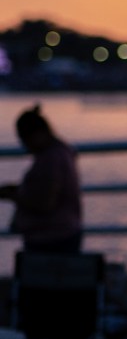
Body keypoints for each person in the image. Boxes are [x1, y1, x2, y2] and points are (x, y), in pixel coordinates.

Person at [0, 105, 82, 252]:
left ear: (39, 134)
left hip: (50, 239)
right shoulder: (62, 152)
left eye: (26, 139)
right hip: (63, 234)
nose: (26, 146)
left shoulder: (50, 159)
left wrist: (13, 195)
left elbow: (44, 203)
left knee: (42, 274)